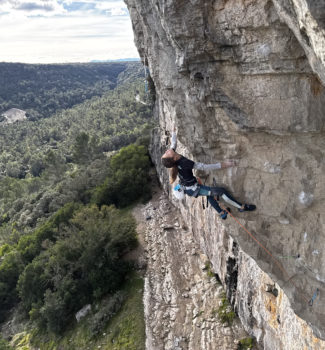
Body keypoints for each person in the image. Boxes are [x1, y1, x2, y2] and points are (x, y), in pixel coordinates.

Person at [161, 130, 256, 220]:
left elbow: (173, 144)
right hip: (193, 189)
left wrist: (173, 133)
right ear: (173, 158)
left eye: (165, 152)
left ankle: (222, 213)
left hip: (188, 187)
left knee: (210, 195)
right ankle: (241, 207)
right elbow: (204, 167)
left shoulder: (174, 158)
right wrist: (223, 165)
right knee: (221, 191)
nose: (167, 151)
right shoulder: (184, 163)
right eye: (166, 153)